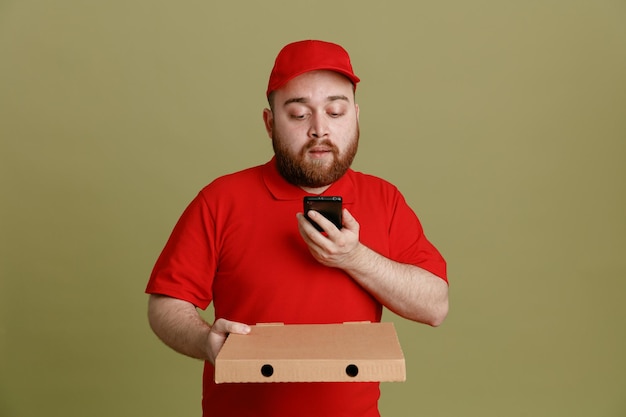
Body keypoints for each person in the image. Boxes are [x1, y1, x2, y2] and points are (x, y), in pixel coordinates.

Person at [146, 39, 449, 417]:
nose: (319, 130)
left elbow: (435, 306)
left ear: (356, 116)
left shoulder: (384, 199)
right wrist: (205, 340)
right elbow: (166, 303)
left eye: (335, 112)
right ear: (270, 122)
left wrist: (354, 257)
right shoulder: (220, 199)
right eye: (299, 114)